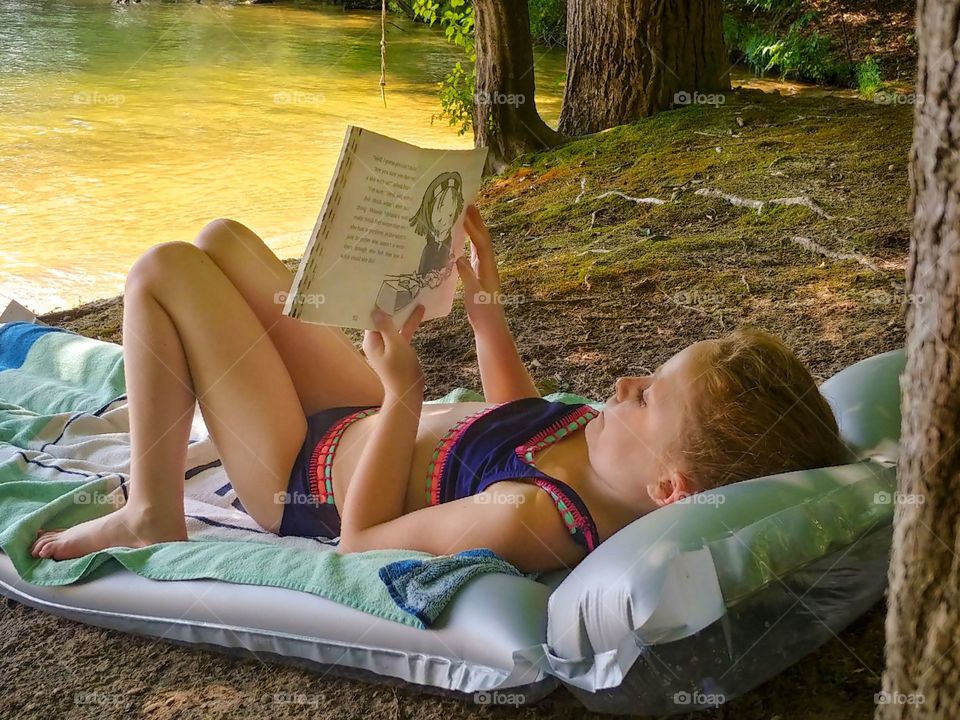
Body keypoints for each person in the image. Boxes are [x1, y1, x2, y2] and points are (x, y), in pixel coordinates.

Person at [30, 205, 847, 573]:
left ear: (672, 488)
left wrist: (406, 402)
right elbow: (514, 419)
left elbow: (360, 543)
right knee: (222, 239)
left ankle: (153, 516)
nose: (625, 384)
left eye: (648, 397)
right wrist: (487, 318)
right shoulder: (610, 453)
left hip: (301, 470)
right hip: (363, 413)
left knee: (163, 270)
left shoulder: (531, 519)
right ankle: (185, 455)